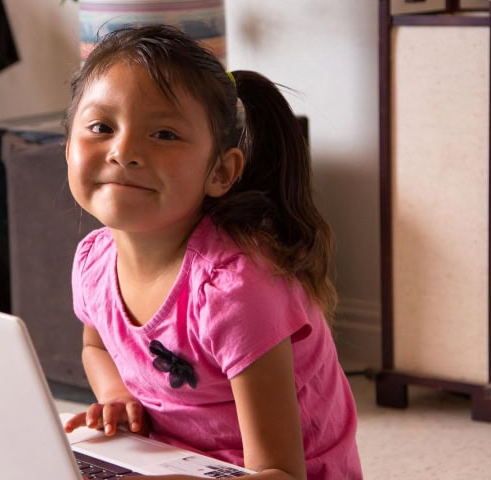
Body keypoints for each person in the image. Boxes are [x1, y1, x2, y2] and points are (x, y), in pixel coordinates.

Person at [62, 24, 362, 480]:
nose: (123, 151)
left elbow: (283, 472)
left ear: (221, 172)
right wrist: (115, 392)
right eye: (101, 127)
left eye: (163, 134)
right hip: (169, 459)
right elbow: (95, 346)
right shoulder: (93, 261)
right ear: (67, 148)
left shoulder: (235, 291)